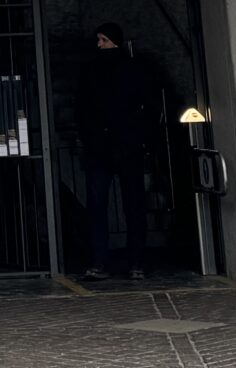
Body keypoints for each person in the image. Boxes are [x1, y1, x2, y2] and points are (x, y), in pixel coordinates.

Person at [78, 20, 157, 281]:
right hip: (116, 147)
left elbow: (149, 106)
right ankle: (128, 262)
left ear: (113, 41)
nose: (99, 44)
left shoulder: (113, 69)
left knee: (119, 206)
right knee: (121, 206)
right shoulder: (128, 68)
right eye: (98, 40)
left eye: (103, 40)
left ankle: (118, 261)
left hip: (115, 147)